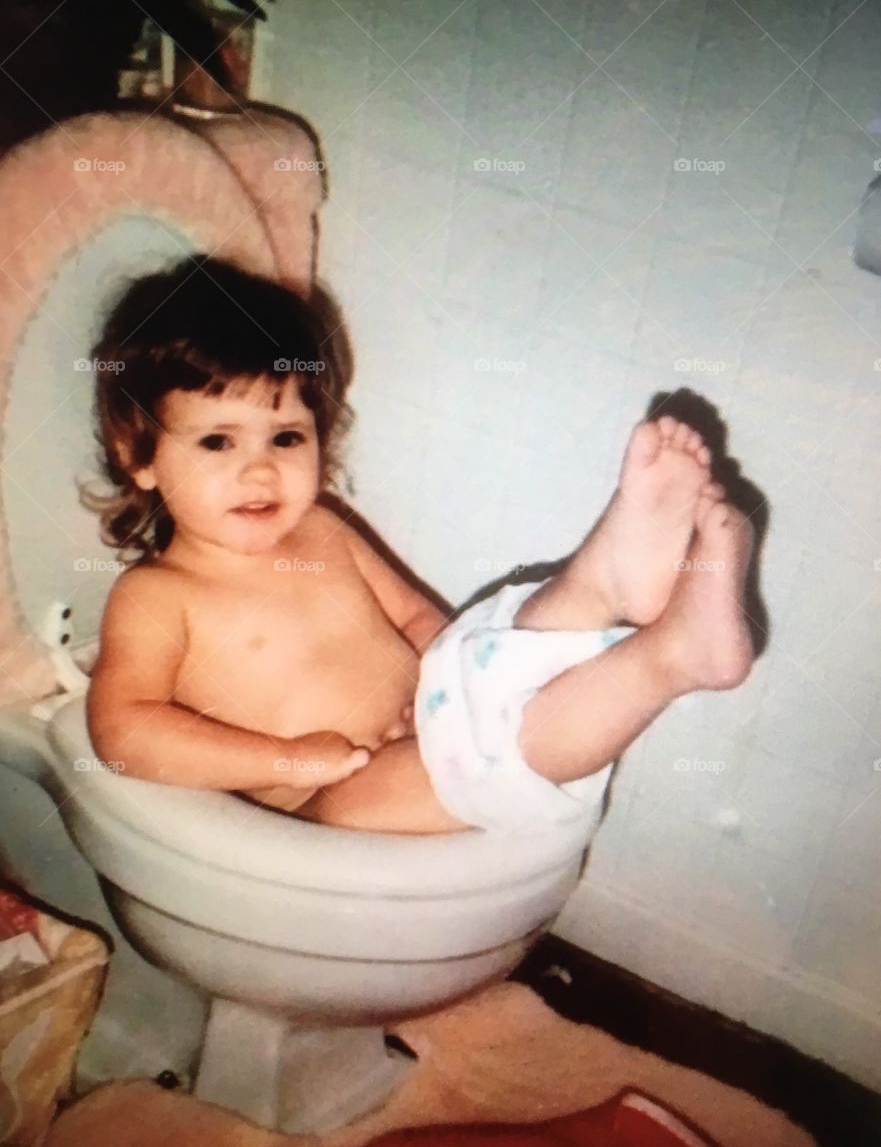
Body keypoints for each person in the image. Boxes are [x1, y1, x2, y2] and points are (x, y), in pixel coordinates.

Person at [84, 256, 755, 835]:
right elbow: (124, 732)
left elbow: (416, 619)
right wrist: (288, 760)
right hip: (325, 809)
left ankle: (598, 581)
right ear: (137, 453)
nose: (260, 469)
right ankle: (663, 660)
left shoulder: (323, 529)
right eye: (217, 441)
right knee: (497, 748)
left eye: (285, 436)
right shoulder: (157, 597)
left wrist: (444, 687)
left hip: (422, 738)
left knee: (487, 649)